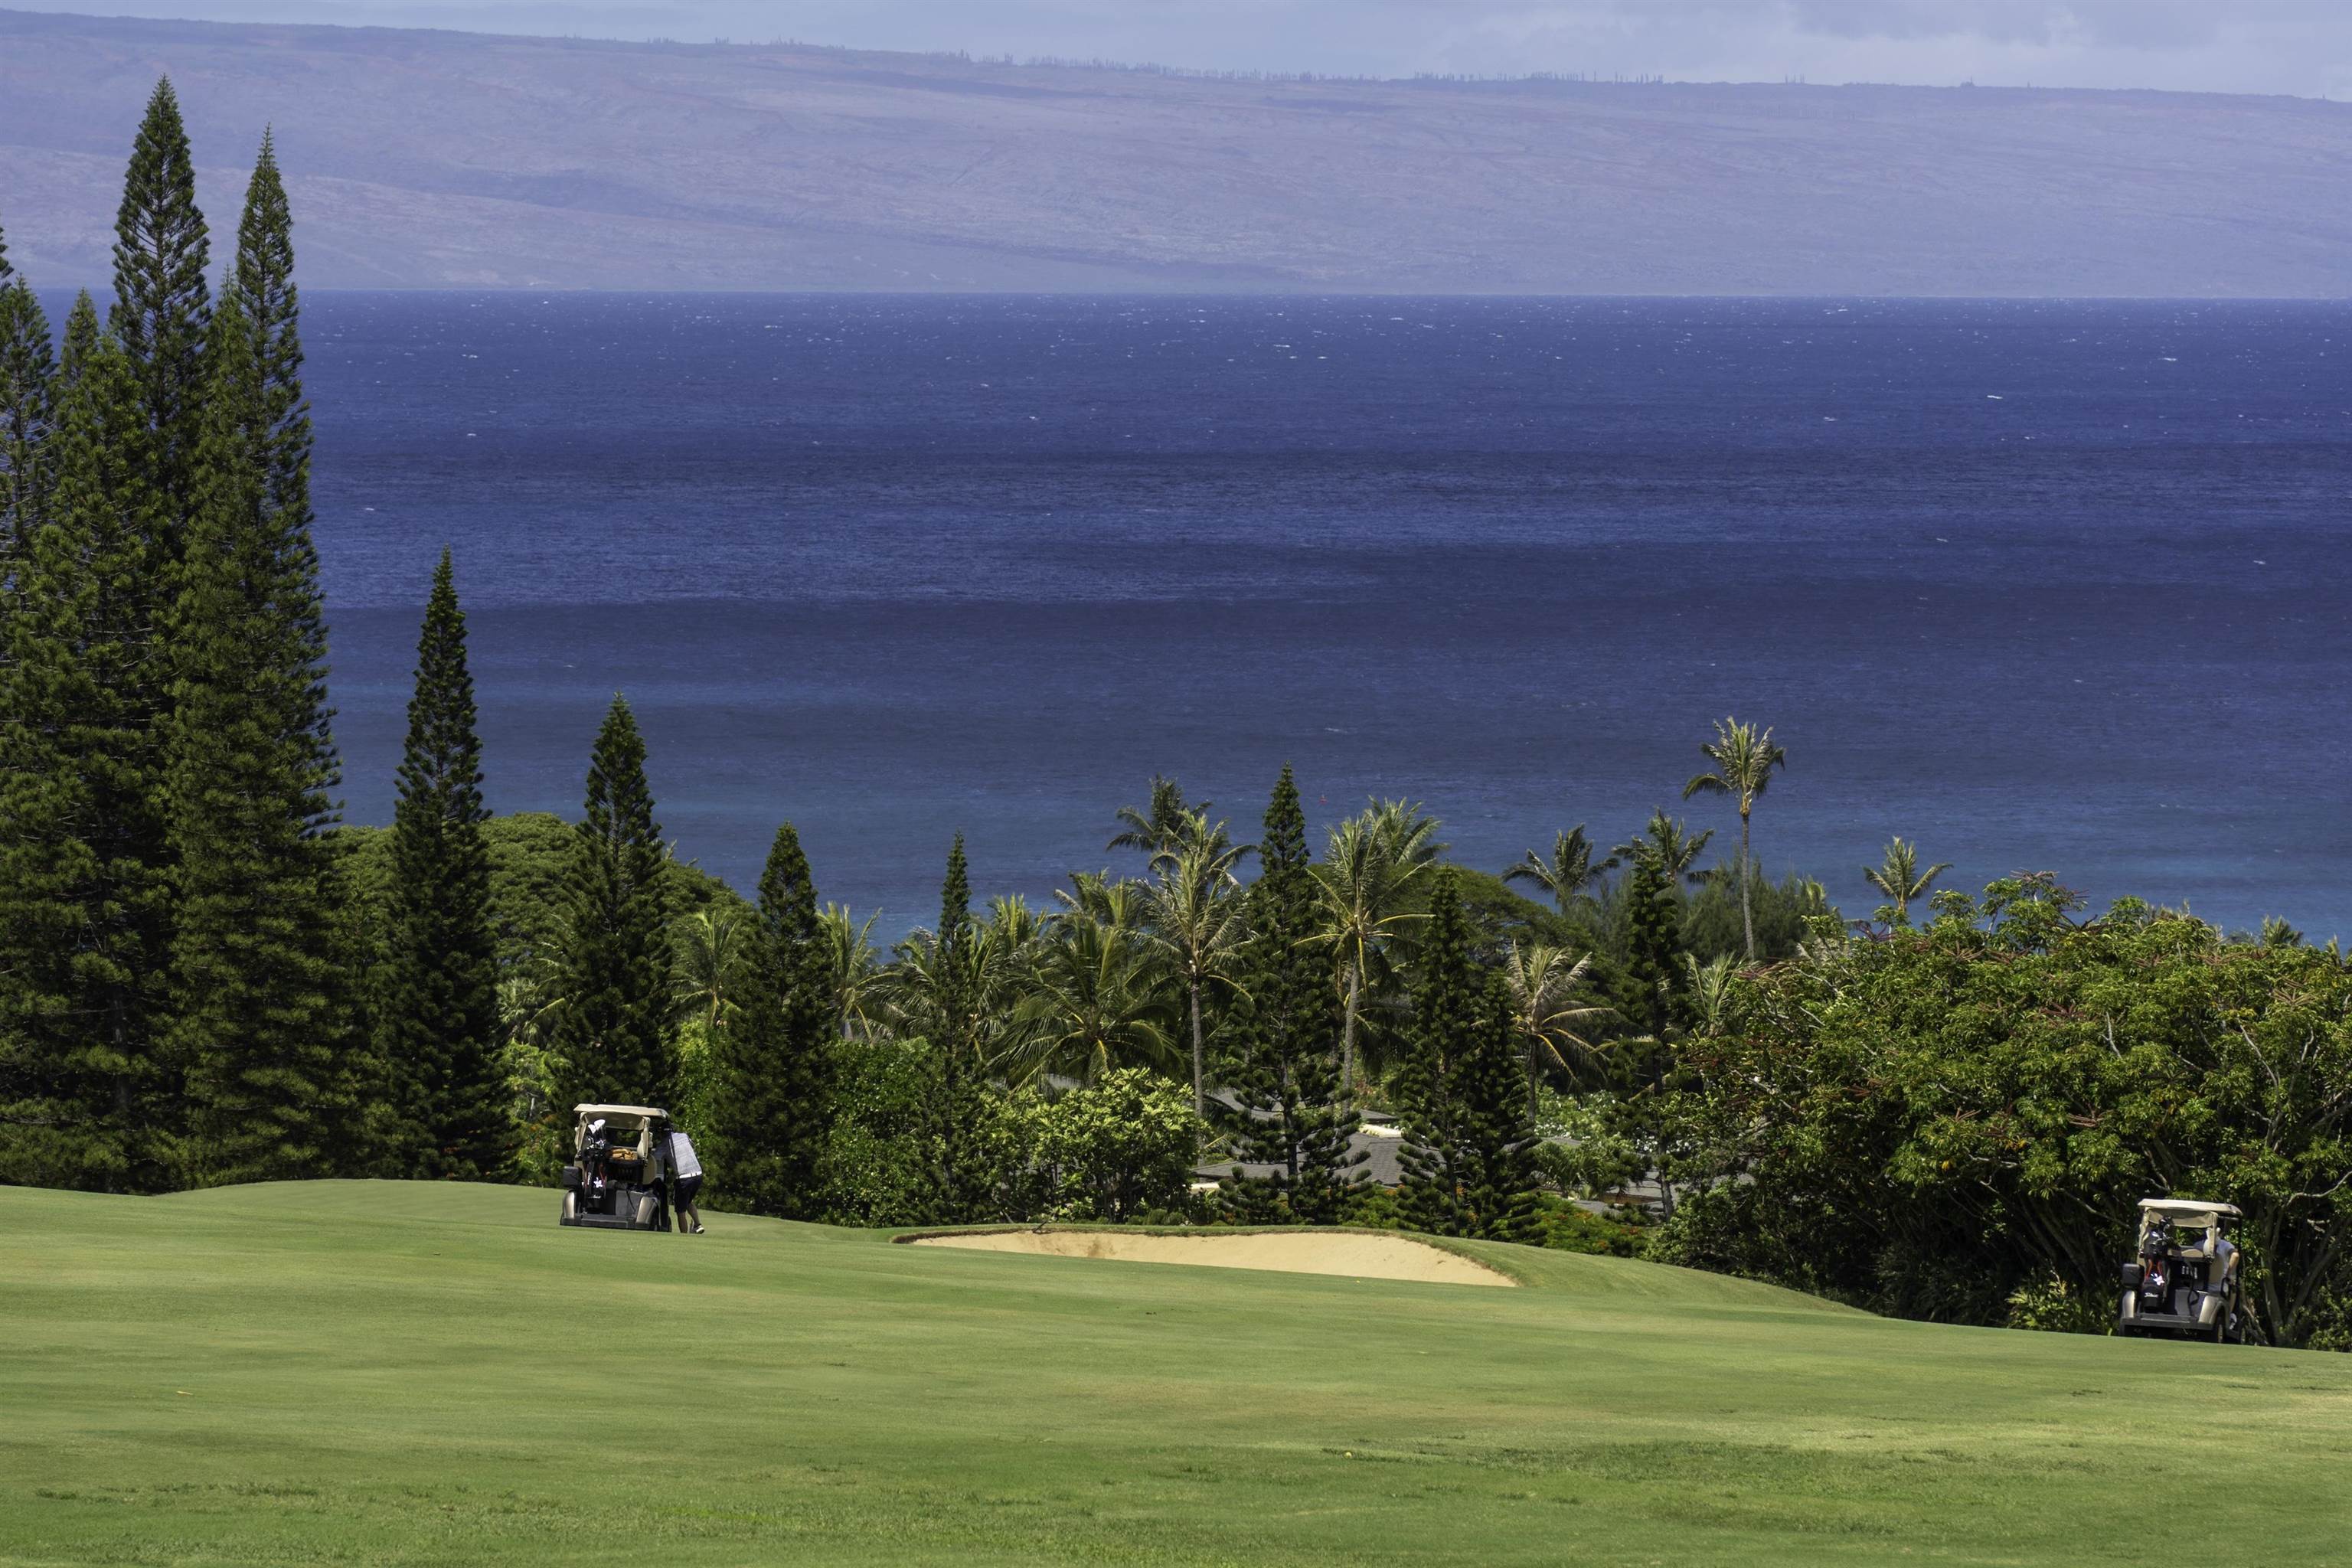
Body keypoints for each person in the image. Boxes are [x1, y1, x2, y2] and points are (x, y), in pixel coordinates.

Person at [665, 1126, 704, 1234]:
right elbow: (692, 1146)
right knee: (688, 1202)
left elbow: (655, 1158)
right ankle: (698, 1225)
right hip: (698, 1174)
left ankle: (684, 1236)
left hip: (684, 1178)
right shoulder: (684, 1136)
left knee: (680, 1211)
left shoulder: (664, 1143)